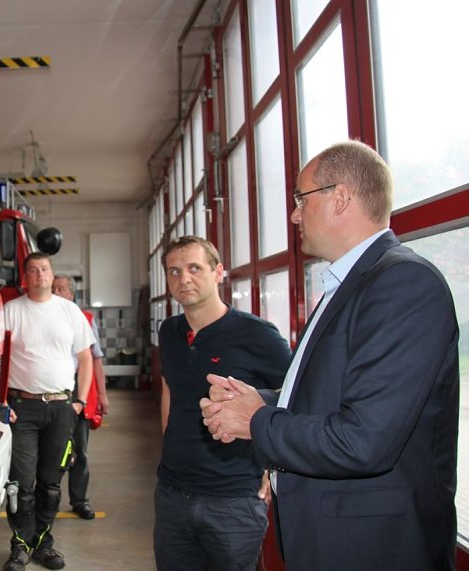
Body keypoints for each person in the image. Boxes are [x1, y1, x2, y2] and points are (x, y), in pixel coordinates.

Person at [200, 141, 459, 571]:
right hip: (334, 538)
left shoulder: (403, 283)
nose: (294, 214)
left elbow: (364, 440)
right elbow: (331, 393)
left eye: (301, 199)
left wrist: (256, 421)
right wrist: (260, 400)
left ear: (340, 198)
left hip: (375, 549)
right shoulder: (352, 282)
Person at [154, 236, 291, 571]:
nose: (183, 278)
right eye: (174, 271)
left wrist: (275, 464)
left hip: (233, 499)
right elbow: (169, 390)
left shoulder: (257, 335)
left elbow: (296, 397)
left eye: (194, 268)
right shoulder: (169, 332)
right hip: (173, 493)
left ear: (218, 272)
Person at [3, 252, 94, 571]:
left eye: (44, 269)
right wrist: (2, 402)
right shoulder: (10, 311)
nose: (39, 274)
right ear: (25, 277)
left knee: (50, 484)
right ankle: (20, 546)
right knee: (22, 484)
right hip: (21, 409)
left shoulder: (70, 312)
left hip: (61, 408)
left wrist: (80, 401)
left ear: (52, 274)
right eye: (33, 270)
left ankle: (43, 543)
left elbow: (85, 359)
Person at [51, 273, 109, 520]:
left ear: (72, 294)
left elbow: (95, 359)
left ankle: (79, 500)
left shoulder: (85, 319)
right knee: (53, 449)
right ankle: (49, 500)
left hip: (79, 385)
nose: (57, 292)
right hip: (52, 387)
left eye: (62, 289)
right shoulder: (44, 317)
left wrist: (103, 395)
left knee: (80, 450)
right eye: (54, 288)